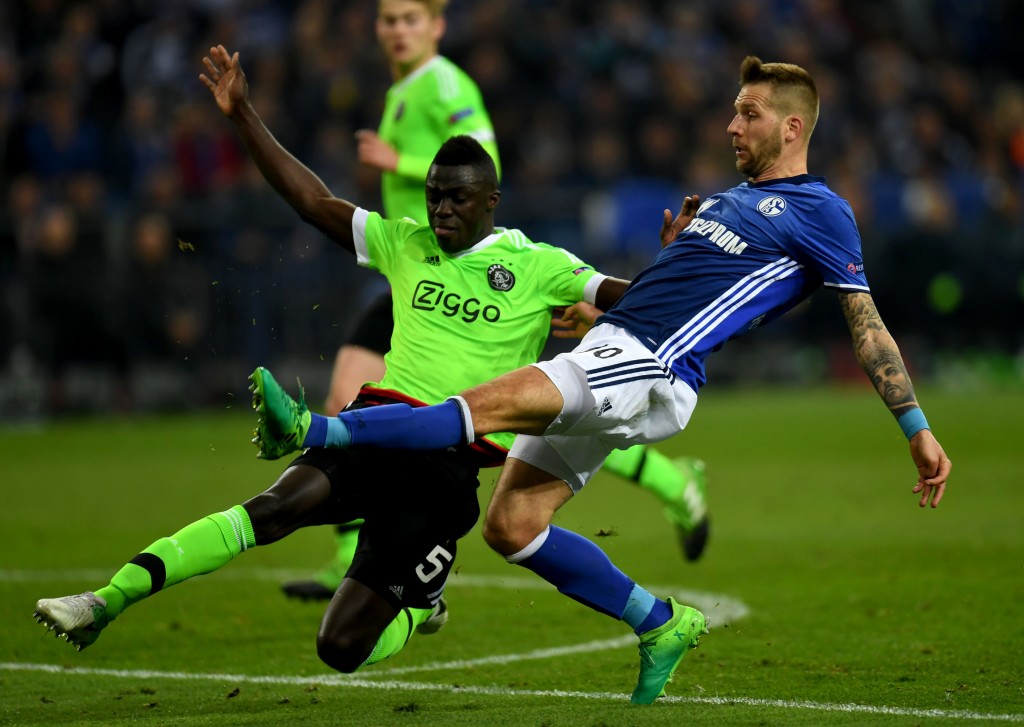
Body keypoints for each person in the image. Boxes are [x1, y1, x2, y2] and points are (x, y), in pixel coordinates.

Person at [250, 56, 952, 704]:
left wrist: (915, 427)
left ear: (793, 128)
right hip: (622, 346)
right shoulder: (725, 203)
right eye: (734, 111)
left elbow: (866, 324)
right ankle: (660, 621)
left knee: (468, 409)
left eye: (749, 113)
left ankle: (312, 429)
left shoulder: (821, 209)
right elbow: (688, 290)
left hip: (648, 362)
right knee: (512, 525)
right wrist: (619, 293)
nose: (731, 125)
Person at [32, 45, 663, 677]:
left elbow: (635, 298)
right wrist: (243, 113)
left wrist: (671, 262)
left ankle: (420, 606)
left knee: (339, 648)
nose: (440, 210)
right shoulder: (404, 241)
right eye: (433, 196)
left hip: (445, 468)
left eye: (456, 199)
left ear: (491, 200)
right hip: (373, 430)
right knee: (271, 509)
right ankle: (105, 601)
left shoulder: (540, 265)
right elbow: (312, 201)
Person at [286, 0, 711, 602]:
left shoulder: (444, 83)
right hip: (418, 270)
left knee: (493, 415)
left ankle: (669, 480)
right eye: (388, 19)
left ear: (437, 25)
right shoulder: (402, 90)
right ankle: (363, 557)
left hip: (460, 273)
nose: (398, 30)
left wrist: (397, 161)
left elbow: (485, 155)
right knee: (373, 401)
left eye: (411, 19)